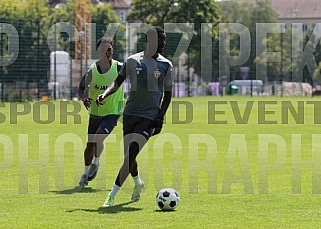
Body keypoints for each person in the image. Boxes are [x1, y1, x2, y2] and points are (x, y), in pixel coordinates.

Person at [96, 26, 173, 207]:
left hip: (149, 118)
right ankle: (138, 183)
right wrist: (105, 94)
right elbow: (117, 82)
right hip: (130, 114)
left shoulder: (166, 65)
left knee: (130, 154)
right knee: (129, 158)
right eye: (161, 39)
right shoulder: (132, 61)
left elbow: (168, 95)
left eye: (164, 40)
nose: (163, 43)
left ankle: (111, 196)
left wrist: (160, 118)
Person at [78, 37, 124, 187]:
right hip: (95, 112)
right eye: (104, 49)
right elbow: (80, 88)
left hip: (113, 112)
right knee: (90, 144)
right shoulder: (91, 70)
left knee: (98, 138)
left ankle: (96, 162)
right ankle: (85, 174)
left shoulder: (119, 68)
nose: (107, 52)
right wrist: (84, 98)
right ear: (98, 51)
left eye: (110, 49)